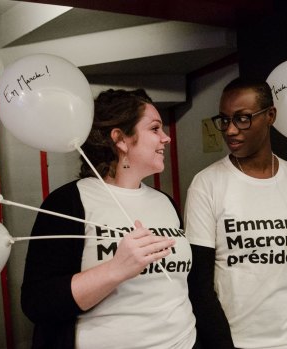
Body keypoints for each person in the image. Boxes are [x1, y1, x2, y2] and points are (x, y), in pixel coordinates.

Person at [21, 89, 197, 349]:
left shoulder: (165, 202)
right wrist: (116, 269)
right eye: (155, 129)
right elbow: (37, 303)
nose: (166, 138)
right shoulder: (68, 203)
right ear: (121, 139)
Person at [184, 77, 287, 349]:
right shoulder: (207, 184)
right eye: (224, 120)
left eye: (242, 119)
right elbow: (198, 284)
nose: (230, 130)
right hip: (240, 341)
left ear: (270, 116)